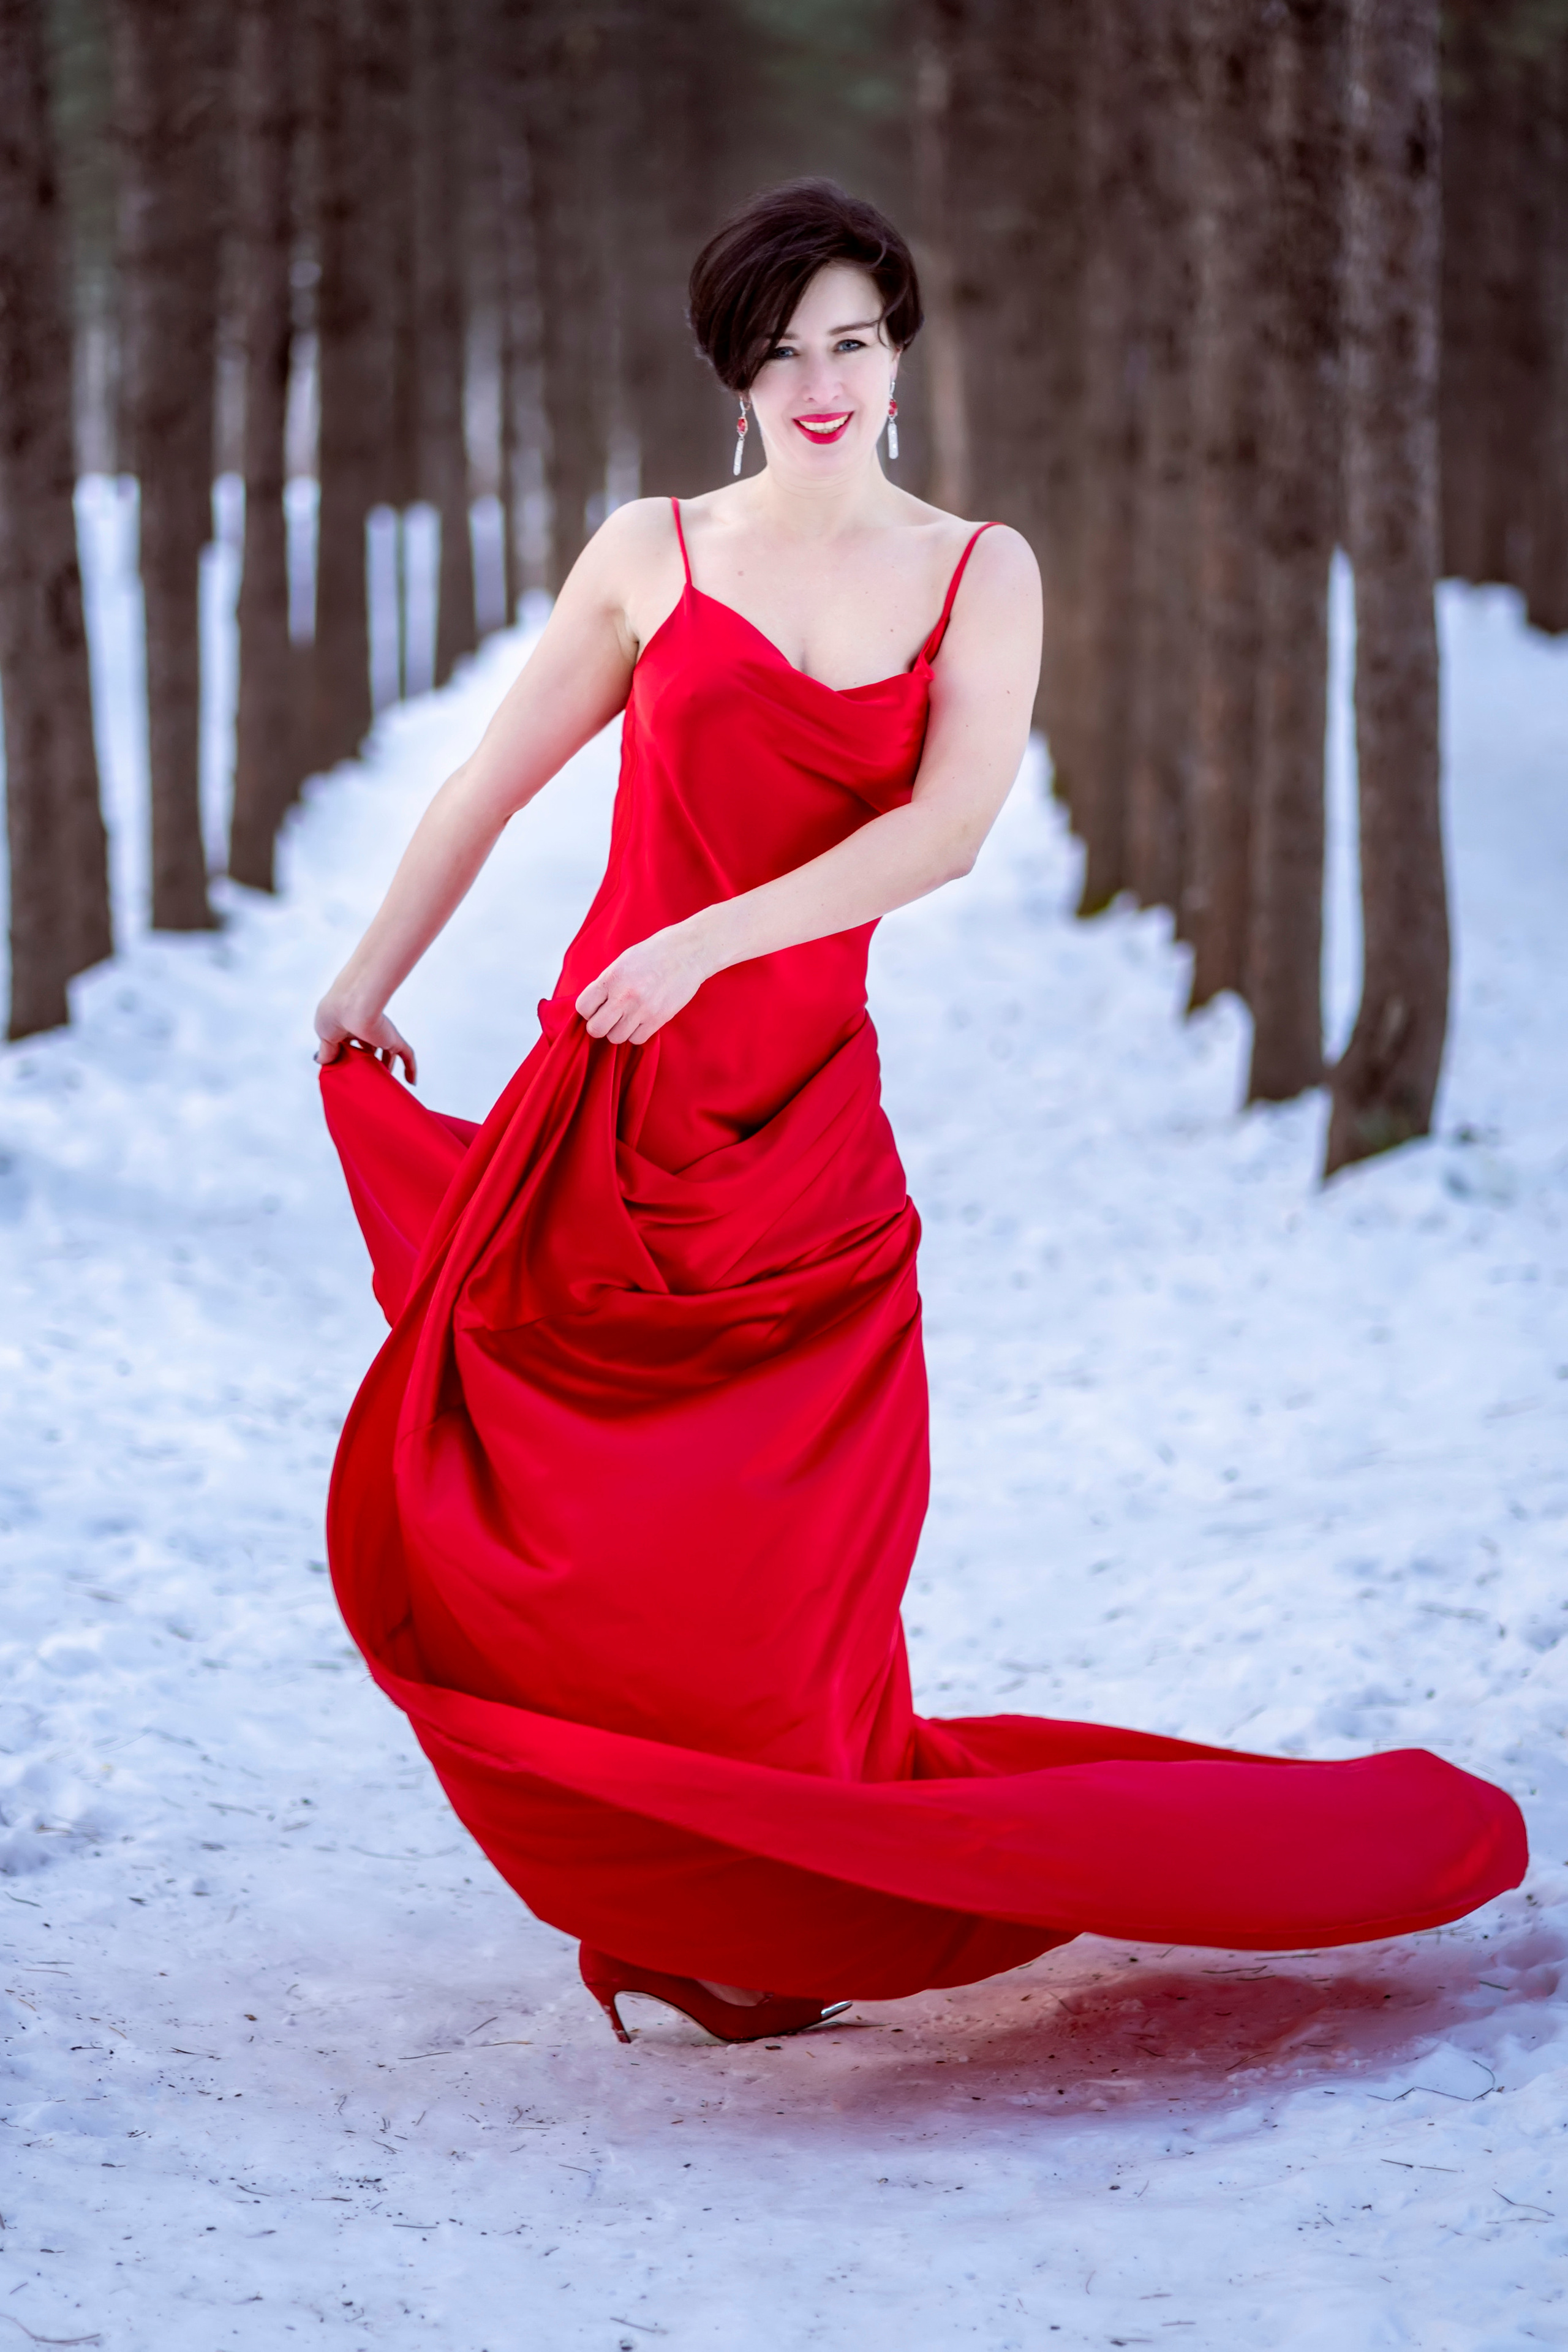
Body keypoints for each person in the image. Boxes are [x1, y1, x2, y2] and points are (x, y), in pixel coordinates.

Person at [314, 179, 1524, 2048]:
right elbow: (492, 774)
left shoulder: (981, 569)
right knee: (582, 1538)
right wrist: (370, 969)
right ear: (737, 373)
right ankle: (688, 1887)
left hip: (799, 1133)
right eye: (784, 349)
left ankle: (797, 1886)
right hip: (613, 1123)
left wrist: (710, 942)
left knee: (787, 1564)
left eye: (854, 342)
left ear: (901, 356)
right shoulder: (652, 550)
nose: (821, 382)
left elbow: (944, 836)